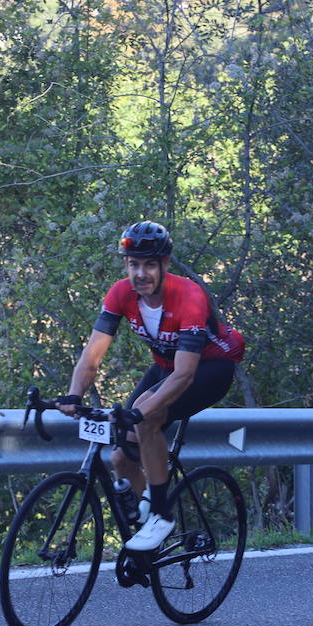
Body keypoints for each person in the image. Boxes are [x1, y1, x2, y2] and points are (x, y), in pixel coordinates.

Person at [57, 221, 245, 551]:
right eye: (133, 264)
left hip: (209, 370)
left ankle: (162, 514)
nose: (140, 273)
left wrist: (141, 412)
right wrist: (74, 394)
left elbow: (185, 375)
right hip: (164, 368)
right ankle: (149, 527)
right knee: (121, 457)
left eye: (148, 264)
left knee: (149, 420)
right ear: (126, 265)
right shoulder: (120, 294)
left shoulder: (188, 297)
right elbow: (94, 351)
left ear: (165, 265)